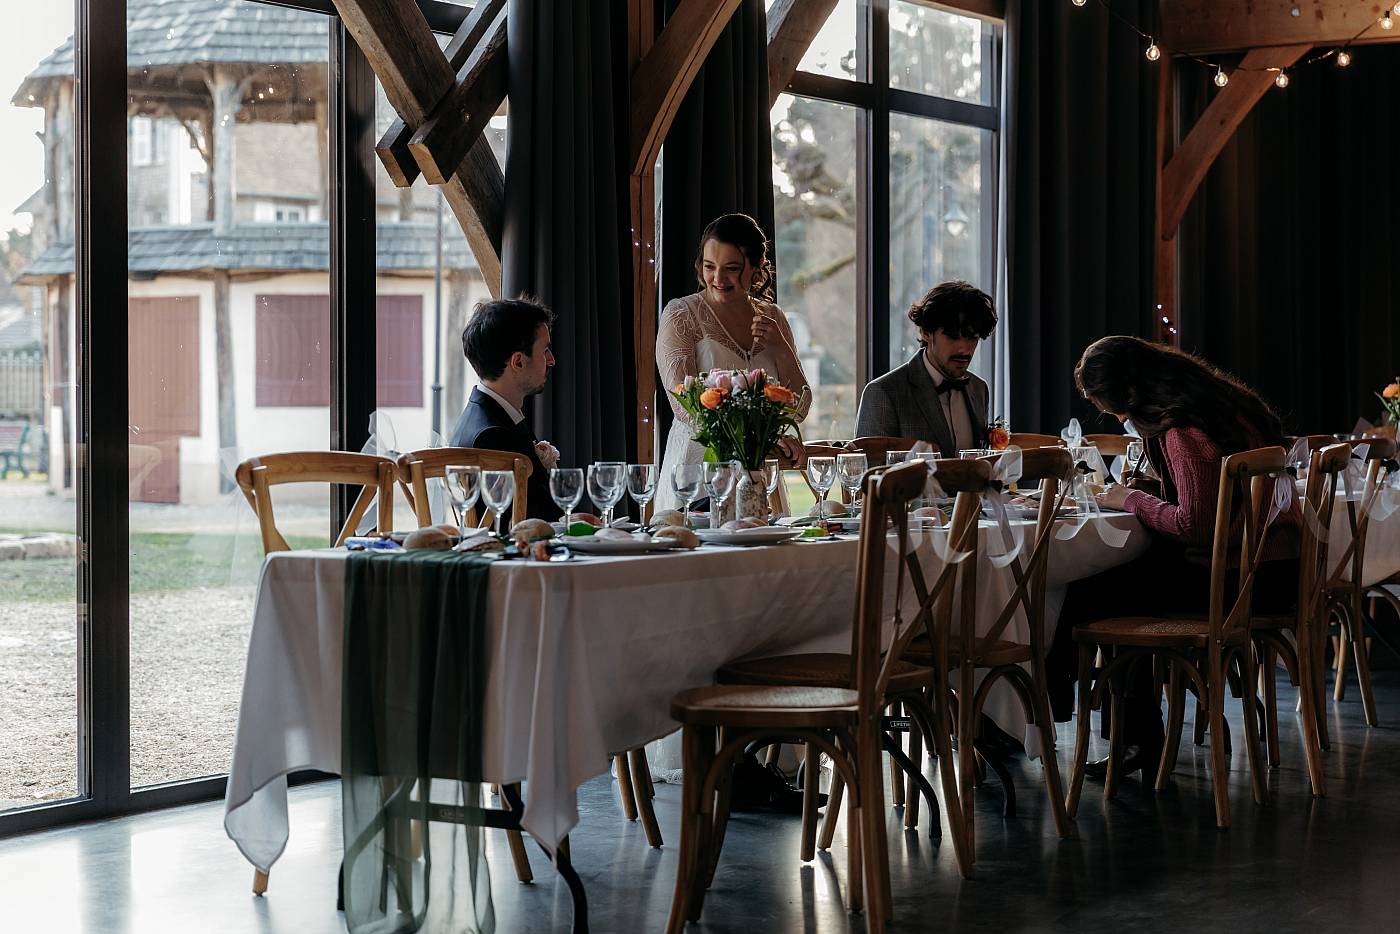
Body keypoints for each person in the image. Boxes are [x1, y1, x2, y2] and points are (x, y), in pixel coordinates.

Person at [1048, 335, 1301, 780]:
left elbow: (1195, 526)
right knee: (1120, 582)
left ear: (1129, 393)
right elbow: (1212, 498)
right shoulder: (1224, 405)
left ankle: (1066, 700)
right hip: (1272, 571)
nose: (1118, 418)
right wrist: (1151, 490)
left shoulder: (1181, 431)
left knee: (1100, 589)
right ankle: (1114, 724)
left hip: (1239, 580)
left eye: (1113, 407)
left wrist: (1130, 499)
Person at [654, 213, 811, 511]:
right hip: (698, 475)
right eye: (709, 266)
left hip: (758, 477)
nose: (718, 278)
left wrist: (780, 347)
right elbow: (685, 406)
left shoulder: (773, 317)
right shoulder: (681, 315)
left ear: (756, 266)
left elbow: (798, 408)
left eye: (732, 268)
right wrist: (760, 440)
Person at [449, 296, 563, 522]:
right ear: (518, 362)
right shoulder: (491, 436)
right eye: (545, 350)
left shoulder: (491, 418)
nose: (551, 360)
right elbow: (520, 526)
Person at [854, 280, 995, 456]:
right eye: (952, 337)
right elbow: (869, 470)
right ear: (925, 332)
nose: (964, 349)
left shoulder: (978, 388)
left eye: (972, 337)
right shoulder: (883, 392)